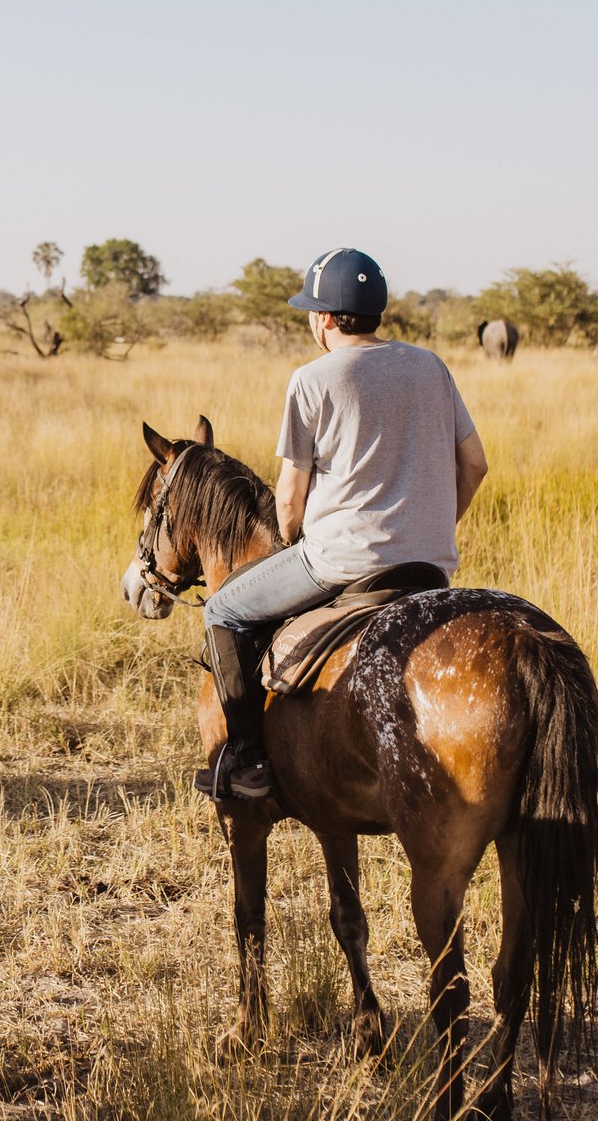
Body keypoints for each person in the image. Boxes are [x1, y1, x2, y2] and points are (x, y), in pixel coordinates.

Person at [201, 247, 489, 803]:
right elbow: (475, 464)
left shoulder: (311, 379)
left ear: (325, 318)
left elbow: (289, 498)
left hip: (341, 562)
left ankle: (248, 760)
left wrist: (292, 541)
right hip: (428, 564)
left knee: (223, 609)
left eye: (312, 311)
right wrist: (431, 524)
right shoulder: (431, 366)